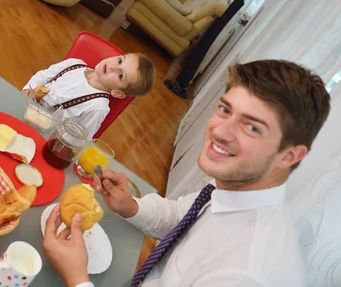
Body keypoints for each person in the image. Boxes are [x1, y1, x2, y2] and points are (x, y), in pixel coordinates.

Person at [43, 59, 331, 286]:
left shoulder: (244, 274)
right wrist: (131, 206)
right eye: (225, 110)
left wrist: (77, 278)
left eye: (252, 127)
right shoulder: (236, 185)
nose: (220, 131)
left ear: (290, 155)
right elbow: (181, 217)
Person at [22, 54, 156, 139]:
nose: (113, 67)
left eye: (120, 75)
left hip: (43, 134)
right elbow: (44, 75)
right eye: (120, 60)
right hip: (25, 107)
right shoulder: (74, 63)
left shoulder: (98, 107)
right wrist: (28, 89)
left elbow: (80, 138)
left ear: (117, 92)